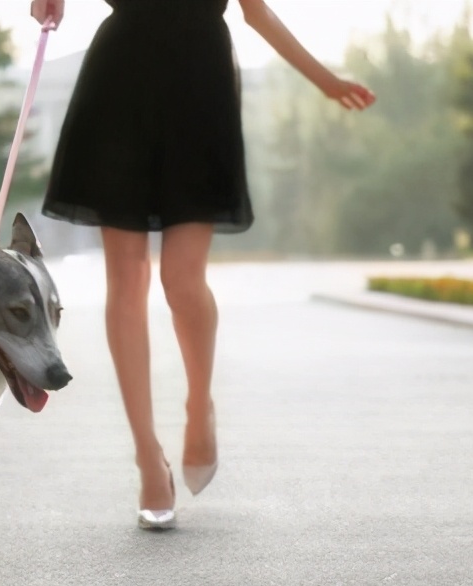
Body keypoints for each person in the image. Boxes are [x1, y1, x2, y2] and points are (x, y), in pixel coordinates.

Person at [30, 0, 375, 530]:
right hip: (119, 82)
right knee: (125, 281)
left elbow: (255, 11)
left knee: (181, 280)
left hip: (199, 83)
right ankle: (148, 459)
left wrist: (324, 80)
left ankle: (199, 406)